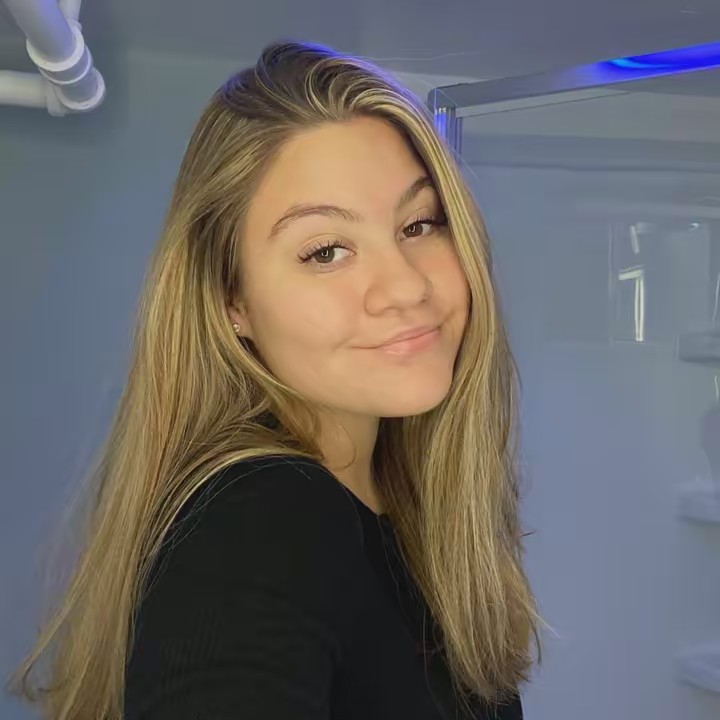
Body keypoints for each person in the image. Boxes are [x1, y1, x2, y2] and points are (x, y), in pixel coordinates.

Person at [8, 40, 544, 720]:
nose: (406, 286)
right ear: (232, 300)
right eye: (326, 251)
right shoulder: (259, 524)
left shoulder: (394, 504)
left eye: (419, 224)